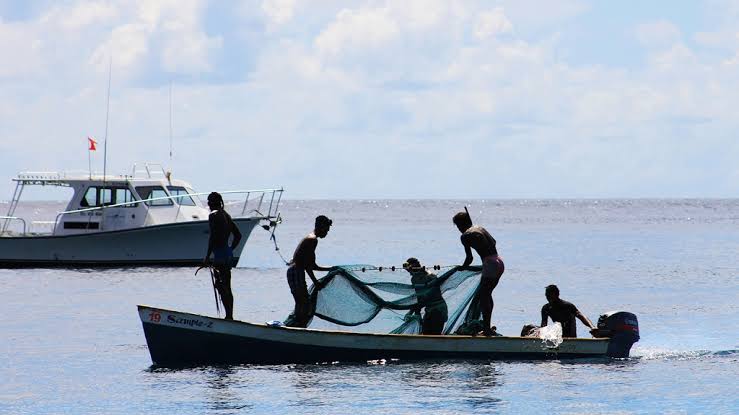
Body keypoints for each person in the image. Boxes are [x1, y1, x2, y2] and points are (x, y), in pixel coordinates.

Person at [453, 210, 504, 336]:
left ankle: (486, 329)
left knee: (484, 296)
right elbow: (494, 241)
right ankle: (487, 327)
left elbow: (469, 258)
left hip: (490, 264)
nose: (458, 229)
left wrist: (462, 267)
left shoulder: (465, 236)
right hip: (499, 261)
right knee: (487, 294)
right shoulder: (480, 228)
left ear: (461, 224)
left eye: (458, 226)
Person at [285, 215, 333, 328]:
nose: (327, 232)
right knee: (304, 303)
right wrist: (315, 282)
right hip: (296, 271)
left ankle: (296, 326)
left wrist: (332, 268)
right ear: (320, 227)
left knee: (301, 302)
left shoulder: (311, 238)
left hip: (294, 271)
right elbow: (307, 266)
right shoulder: (312, 240)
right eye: (326, 229)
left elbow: (313, 266)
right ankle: (297, 327)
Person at [203, 192, 242, 320]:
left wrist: (207, 256)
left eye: (209, 201)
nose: (208, 203)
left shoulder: (213, 215)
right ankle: (229, 315)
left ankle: (228, 317)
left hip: (220, 255)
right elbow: (238, 235)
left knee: (221, 285)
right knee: (226, 286)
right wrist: (230, 249)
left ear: (214, 202)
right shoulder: (226, 215)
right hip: (227, 254)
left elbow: (213, 237)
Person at [403, 257, 448, 335]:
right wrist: (414, 311)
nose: (410, 273)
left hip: (438, 308)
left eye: (410, 270)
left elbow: (430, 294)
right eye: (408, 271)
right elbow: (419, 296)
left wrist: (416, 309)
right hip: (429, 309)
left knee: (434, 333)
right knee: (426, 332)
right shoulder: (414, 279)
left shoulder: (430, 276)